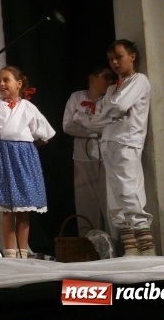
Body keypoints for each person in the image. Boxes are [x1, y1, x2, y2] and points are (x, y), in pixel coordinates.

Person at [77, 40, 154, 256]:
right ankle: (130, 247)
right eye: (111, 59)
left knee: (130, 192)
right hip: (108, 142)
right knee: (115, 197)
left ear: (132, 56)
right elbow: (98, 117)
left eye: (118, 57)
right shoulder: (113, 88)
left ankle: (147, 247)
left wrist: (109, 110)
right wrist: (109, 111)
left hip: (127, 141)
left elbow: (119, 106)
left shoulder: (139, 80)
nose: (114, 63)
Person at [0, 66, 55, 258]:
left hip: (24, 161)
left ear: (19, 84)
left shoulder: (28, 108)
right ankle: (10, 251)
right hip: (3, 160)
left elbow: (45, 136)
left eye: (6, 80)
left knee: (24, 209)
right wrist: (0, 149)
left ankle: (23, 250)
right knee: (8, 208)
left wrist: (26, 149)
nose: (1, 84)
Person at [62, 65, 116, 235]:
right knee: (85, 205)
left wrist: (82, 120)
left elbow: (109, 125)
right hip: (82, 157)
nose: (110, 81)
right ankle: (89, 248)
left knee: (109, 204)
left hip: (106, 157)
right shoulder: (76, 97)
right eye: (106, 77)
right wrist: (94, 130)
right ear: (93, 78)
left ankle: (114, 247)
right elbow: (67, 126)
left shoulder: (111, 99)